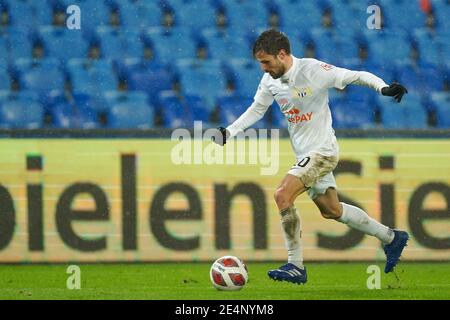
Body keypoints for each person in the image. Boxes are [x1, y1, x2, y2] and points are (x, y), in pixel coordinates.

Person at [212, 29, 409, 285]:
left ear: (282, 54)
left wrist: (382, 88)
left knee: (282, 194)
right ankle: (391, 237)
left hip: (323, 152)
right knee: (332, 210)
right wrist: (229, 131)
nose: (263, 68)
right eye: (260, 63)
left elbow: (355, 75)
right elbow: (256, 109)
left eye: (266, 62)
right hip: (306, 155)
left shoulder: (313, 71)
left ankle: (295, 265)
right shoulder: (270, 81)